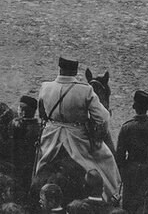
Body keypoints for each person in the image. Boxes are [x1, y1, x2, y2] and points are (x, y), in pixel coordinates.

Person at [33, 57, 121, 203]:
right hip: (77, 139)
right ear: (75, 71)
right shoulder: (85, 90)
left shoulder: (45, 87)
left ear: (60, 69)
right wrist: (99, 135)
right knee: (107, 159)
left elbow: (42, 113)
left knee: (39, 162)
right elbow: (104, 117)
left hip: (50, 136)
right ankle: (112, 195)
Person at [114, 90, 148, 214]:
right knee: (144, 203)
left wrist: (122, 171)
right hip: (147, 169)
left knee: (128, 204)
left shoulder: (127, 127)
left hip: (130, 170)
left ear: (134, 106)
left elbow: (120, 155)